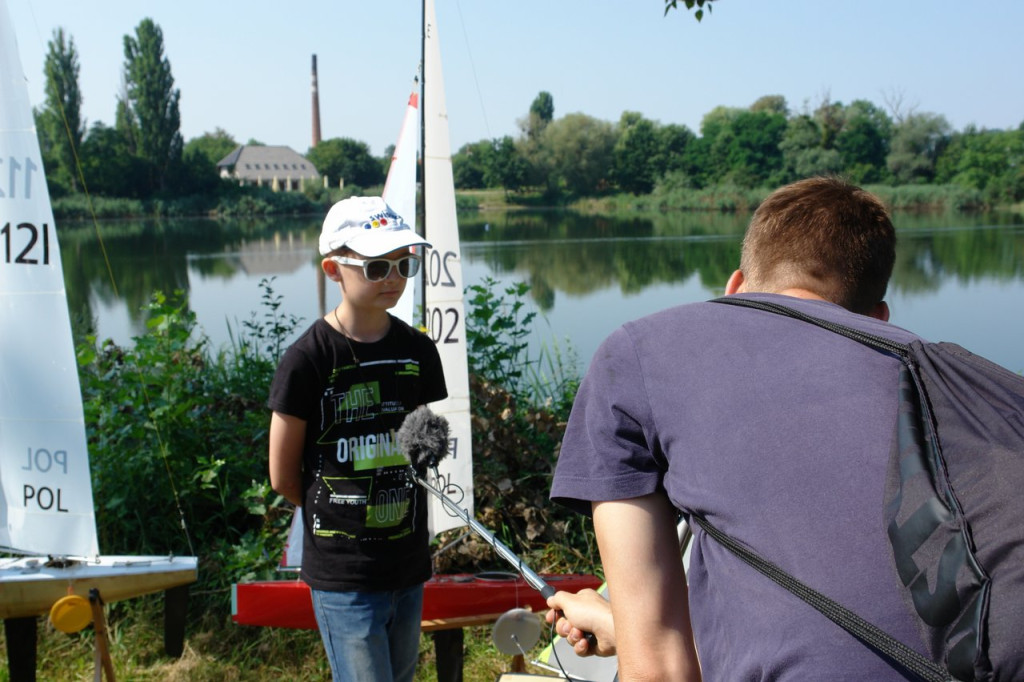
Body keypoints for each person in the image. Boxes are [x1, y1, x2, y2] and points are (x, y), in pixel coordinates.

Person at [547, 177, 945, 680]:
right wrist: (616, 623)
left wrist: (631, 629)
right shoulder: (950, 385)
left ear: (734, 288)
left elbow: (661, 673)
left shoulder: (636, 356)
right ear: (880, 319)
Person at [269, 196, 447, 682]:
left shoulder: (419, 351)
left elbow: (420, 446)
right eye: (375, 266)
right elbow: (284, 476)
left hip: (408, 564)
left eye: (404, 263)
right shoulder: (308, 360)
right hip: (344, 575)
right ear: (333, 269)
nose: (393, 277)